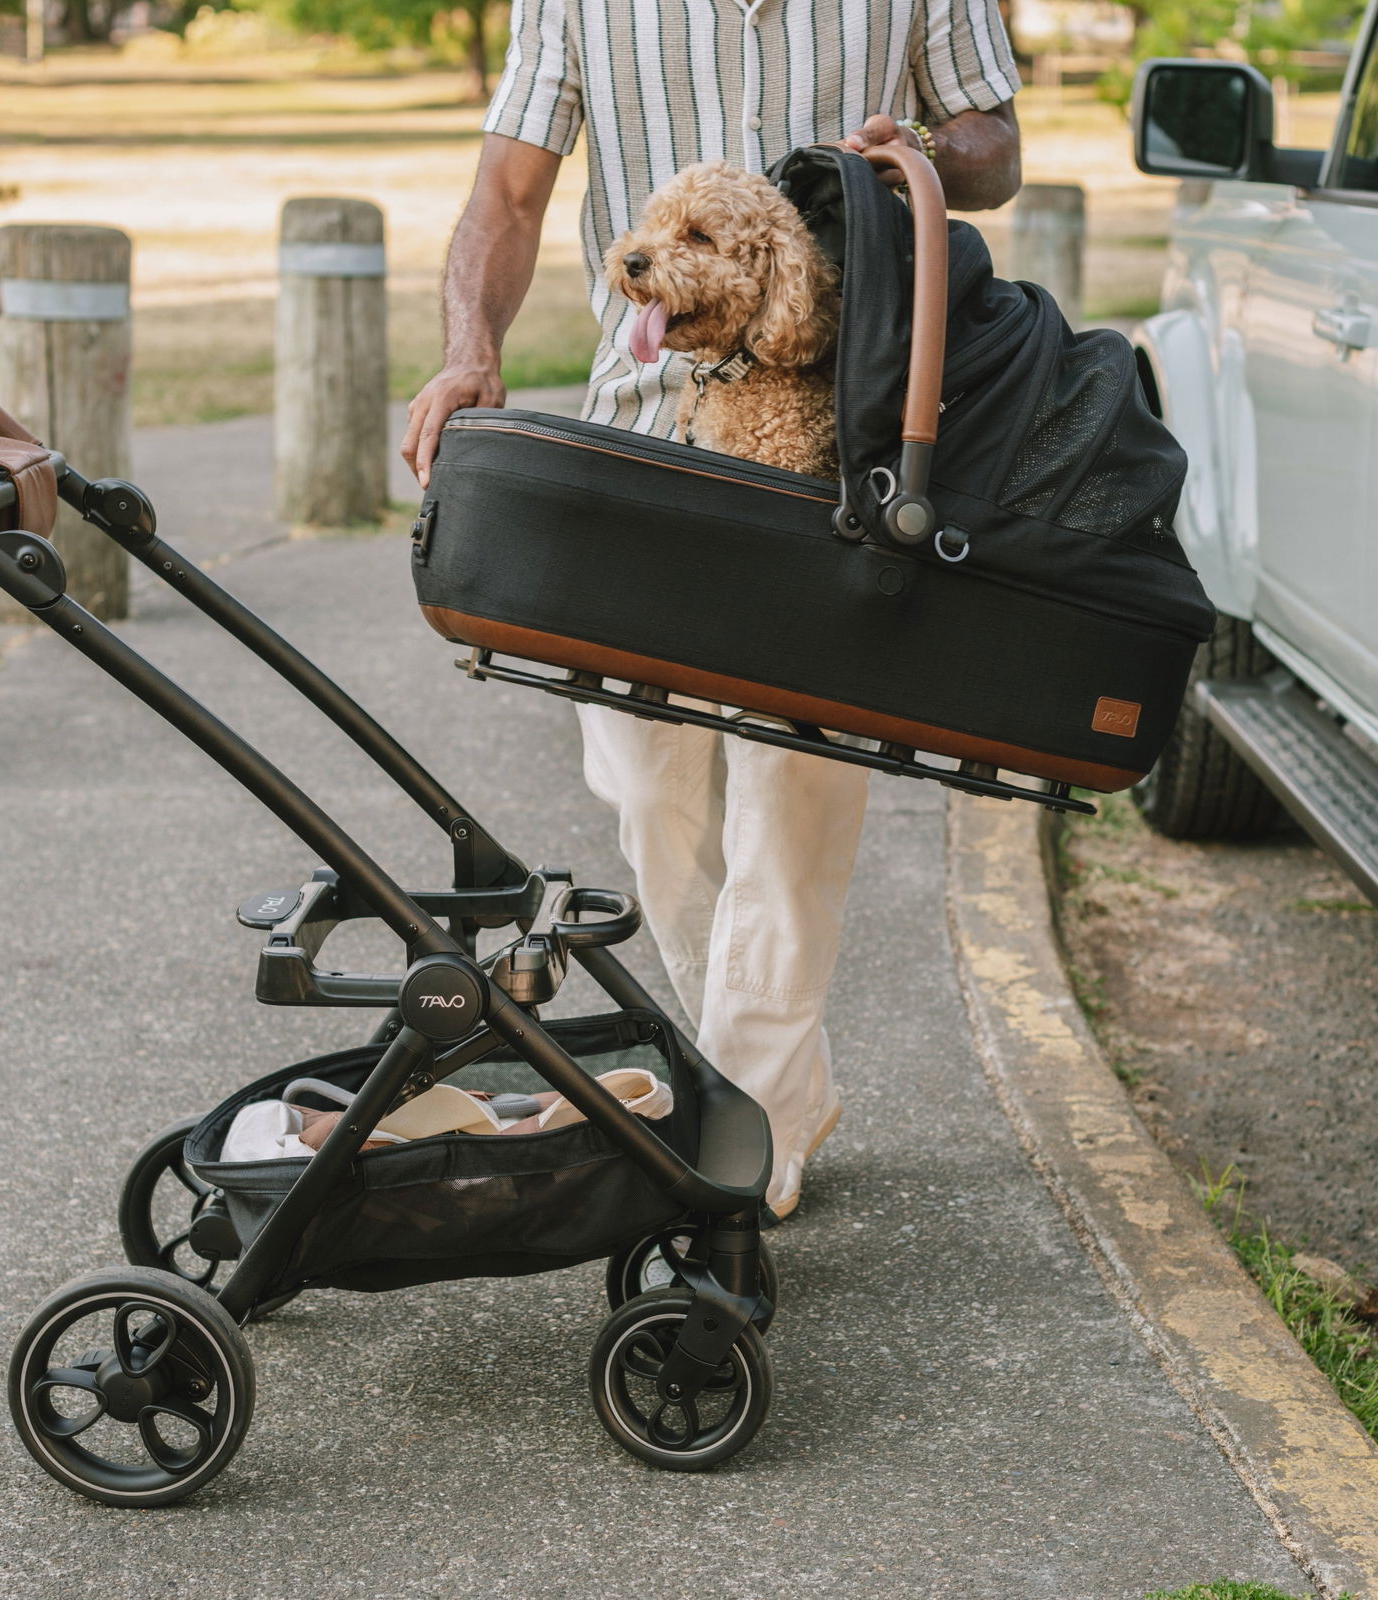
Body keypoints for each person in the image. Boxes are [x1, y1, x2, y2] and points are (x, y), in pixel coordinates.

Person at [402, 0, 1023, 1221]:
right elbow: (509, 196)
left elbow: (995, 140)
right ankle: (767, 1083)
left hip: (841, 439)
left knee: (792, 808)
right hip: (640, 429)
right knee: (651, 806)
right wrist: (472, 344)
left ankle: (751, 1135)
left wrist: (921, 153)